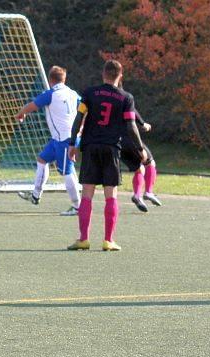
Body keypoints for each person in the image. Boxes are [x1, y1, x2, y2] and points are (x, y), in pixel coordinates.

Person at [66, 60, 145, 251]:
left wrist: (72, 143)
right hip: (111, 149)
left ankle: (83, 239)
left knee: (87, 193)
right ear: (120, 76)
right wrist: (140, 148)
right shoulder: (126, 98)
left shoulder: (90, 93)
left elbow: (79, 118)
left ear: (103, 74)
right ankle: (108, 240)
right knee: (111, 195)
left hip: (90, 146)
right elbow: (131, 126)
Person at [15, 65, 81, 216]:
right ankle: (35, 195)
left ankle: (78, 207)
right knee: (42, 159)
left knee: (67, 171)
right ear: (64, 79)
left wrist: (21, 113)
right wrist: (82, 126)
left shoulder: (51, 94)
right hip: (59, 139)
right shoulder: (72, 93)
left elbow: (32, 106)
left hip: (65, 140)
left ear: (50, 80)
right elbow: (85, 108)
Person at [121, 109, 160, 212]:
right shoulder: (123, 100)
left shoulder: (101, 100)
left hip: (114, 142)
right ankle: (148, 192)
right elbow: (131, 110)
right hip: (129, 138)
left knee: (139, 169)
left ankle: (138, 195)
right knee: (150, 163)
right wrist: (142, 124)